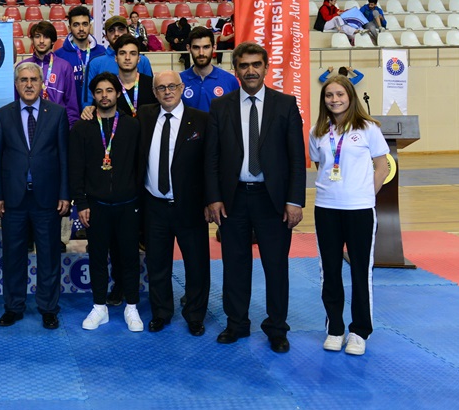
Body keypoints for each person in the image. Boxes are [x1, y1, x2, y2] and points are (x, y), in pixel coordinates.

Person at [205, 42, 306, 353]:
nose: (250, 70)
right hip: (233, 198)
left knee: (276, 266)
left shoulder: (285, 104)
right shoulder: (221, 106)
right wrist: (214, 197)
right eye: (244, 65)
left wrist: (295, 200)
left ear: (266, 68)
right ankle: (236, 323)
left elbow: (296, 157)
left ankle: (277, 328)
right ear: (235, 70)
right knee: (235, 265)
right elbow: (212, 157)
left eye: (256, 64)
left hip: (272, 200)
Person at [310, 75, 389, 357]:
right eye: (329, 95)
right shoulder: (317, 131)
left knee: (360, 272)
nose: (335, 99)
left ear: (350, 96)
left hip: (359, 210)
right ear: (324, 100)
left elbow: (382, 166)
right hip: (326, 208)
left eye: (340, 94)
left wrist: (366, 193)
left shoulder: (368, 128)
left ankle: (359, 331)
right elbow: (321, 165)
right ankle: (335, 328)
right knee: (329, 271)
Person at [0, 62, 69, 330]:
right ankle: (13, 307)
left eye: (33, 79)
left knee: (48, 256)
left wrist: (65, 193)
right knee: (13, 256)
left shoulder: (57, 113)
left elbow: (64, 157)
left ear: (41, 83)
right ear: (16, 84)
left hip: (47, 198)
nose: (28, 84)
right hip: (13, 199)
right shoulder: (3, 115)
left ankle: (48, 308)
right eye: (23, 79)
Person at [69, 72, 145, 332]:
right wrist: (81, 203)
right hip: (96, 206)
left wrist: (138, 200)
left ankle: (131, 306)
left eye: (109, 90)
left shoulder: (132, 126)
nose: (104, 96)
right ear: (93, 96)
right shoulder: (82, 128)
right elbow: (76, 168)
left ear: (117, 93)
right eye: (99, 91)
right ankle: (99, 306)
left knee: (129, 257)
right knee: (98, 258)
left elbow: (140, 166)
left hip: (128, 204)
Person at [139, 71, 210, 336]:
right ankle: (161, 312)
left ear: (181, 88)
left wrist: (210, 201)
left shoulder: (201, 120)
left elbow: (209, 165)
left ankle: (195, 315)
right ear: (154, 93)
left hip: (190, 205)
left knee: (196, 265)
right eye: (161, 88)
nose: (167, 91)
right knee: (157, 264)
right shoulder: (145, 116)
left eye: (172, 86)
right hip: (154, 204)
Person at [21, 20, 79, 127]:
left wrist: (72, 129)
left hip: (57, 125)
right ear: (32, 40)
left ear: (53, 41)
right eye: (37, 36)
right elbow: (16, 101)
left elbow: (71, 104)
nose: (41, 41)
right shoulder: (23, 67)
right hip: (30, 124)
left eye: (46, 37)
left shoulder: (64, 67)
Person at [54, 5, 106, 110]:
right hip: (69, 112)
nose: (81, 29)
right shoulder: (59, 55)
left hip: (97, 111)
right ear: (69, 28)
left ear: (90, 26)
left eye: (85, 24)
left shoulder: (101, 52)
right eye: (76, 25)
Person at [84, 16, 153, 90]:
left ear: (128, 32)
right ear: (106, 36)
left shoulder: (143, 60)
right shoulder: (95, 63)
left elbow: (150, 90)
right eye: (111, 30)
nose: (116, 34)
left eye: (121, 29)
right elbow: (88, 95)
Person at [180, 26, 240, 112]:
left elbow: (236, 114)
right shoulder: (179, 81)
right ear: (188, 48)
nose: (201, 53)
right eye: (196, 47)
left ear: (214, 47)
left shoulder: (230, 80)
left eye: (206, 47)